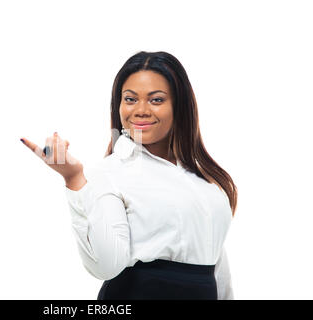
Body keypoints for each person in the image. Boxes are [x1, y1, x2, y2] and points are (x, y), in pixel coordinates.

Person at [20, 51, 237, 300]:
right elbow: (106, 266)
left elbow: (216, 268)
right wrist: (75, 180)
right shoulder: (110, 173)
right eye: (130, 99)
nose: (141, 110)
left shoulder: (207, 181)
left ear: (179, 106)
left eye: (156, 100)